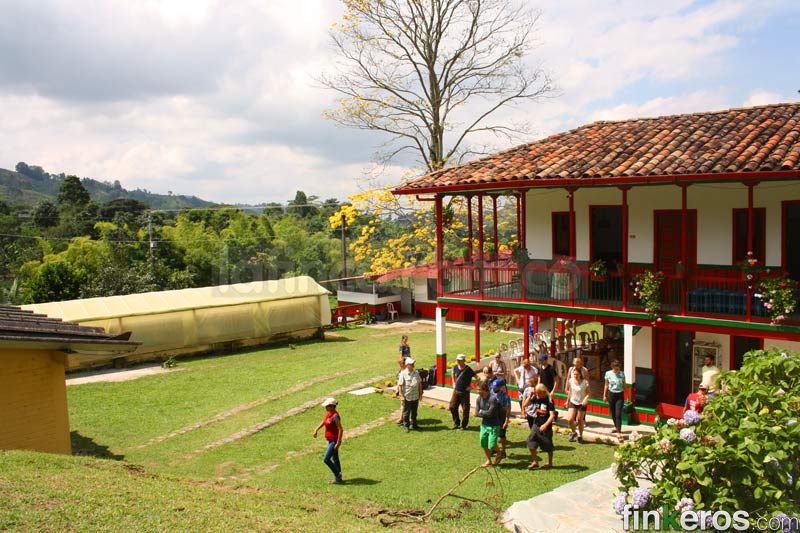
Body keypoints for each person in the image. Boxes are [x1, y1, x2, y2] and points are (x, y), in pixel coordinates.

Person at [312, 397, 343, 484]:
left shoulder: (335, 416)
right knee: (335, 458)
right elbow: (324, 421)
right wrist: (316, 429)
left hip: (334, 441)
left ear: (332, 406)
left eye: (327, 406)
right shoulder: (329, 413)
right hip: (330, 440)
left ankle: (337, 475)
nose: (325, 408)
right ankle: (338, 478)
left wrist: (338, 442)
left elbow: (340, 429)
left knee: (326, 459)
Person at [525, 384, 555, 470]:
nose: (537, 395)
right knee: (530, 441)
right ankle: (535, 461)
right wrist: (531, 395)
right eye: (536, 393)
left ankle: (550, 463)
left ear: (543, 392)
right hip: (536, 424)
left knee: (548, 445)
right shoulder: (537, 398)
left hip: (546, 426)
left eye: (538, 393)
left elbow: (552, 415)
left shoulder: (549, 401)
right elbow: (525, 404)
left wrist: (545, 425)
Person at [475, 381, 501, 467]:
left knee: (492, 444)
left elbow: (491, 413)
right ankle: (489, 460)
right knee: (483, 443)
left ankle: (499, 453)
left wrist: (481, 412)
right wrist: (483, 412)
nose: (477, 391)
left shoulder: (493, 399)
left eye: (479, 390)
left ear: (484, 389)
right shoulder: (478, 399)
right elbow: (476, 413)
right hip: (484, 425)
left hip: (494, 425)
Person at [450, 354, 476, 430]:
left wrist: (472, 386)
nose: (458, 361)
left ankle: (464, 425)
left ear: (464, 360)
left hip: (465, 393)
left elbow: (477, 378)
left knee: (465, 410)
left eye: (459, 360)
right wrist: (453, 382)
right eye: (457, 360)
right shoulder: (455, 367)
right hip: (456, 391)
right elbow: (452, 372)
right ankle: (456, 422)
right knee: (452, 407)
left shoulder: (468, 369)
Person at [603, 360, 626, 443]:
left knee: (618, 414)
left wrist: (626, 396)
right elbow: (606, 385)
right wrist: (604, 395)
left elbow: (624, 385)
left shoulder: (622, 374)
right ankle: (616, 427)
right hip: (611, 394)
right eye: (615, 369)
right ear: (612, 368)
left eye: (618, 369)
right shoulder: (608, 373)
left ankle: (619, 433)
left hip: (620, 395)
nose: (617, 370)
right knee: (612, 412)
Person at [398, 358, 422, 432]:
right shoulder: (403, 374)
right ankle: (406, 426)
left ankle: (414, 425)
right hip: (407, 397)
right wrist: (401, 395)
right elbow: (400, 385)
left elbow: (419, 384)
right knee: (406, 413)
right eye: (411, 364)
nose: (413, 365)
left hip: (415, 396)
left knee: (414, 412)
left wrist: (420, 394)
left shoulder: (416, 373)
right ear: (407, 365)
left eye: (413, 364)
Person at [566, 367, 590, 443]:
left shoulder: (585, 382)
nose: (575, 376)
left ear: (580, 374)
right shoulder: (571, 381)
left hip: (581, 403)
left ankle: (580, 436)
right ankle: (574, 432)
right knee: (570, 419)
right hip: (573, 401)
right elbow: (570, 391)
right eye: (574, 374)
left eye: (577, 374)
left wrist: (586, 399)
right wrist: (567, 401)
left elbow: (589, 393)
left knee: (579, 420)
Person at [493, 378, 512, 463]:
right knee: (493, 434)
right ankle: (495, 449)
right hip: (493, 418)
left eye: (496, 387)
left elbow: (508, 409)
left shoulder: (505, 397)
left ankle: (503, 450)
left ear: (501, 387)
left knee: (502, 435)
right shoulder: (492, 394)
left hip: (502, 418)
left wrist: (506, 421)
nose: (494, 389)